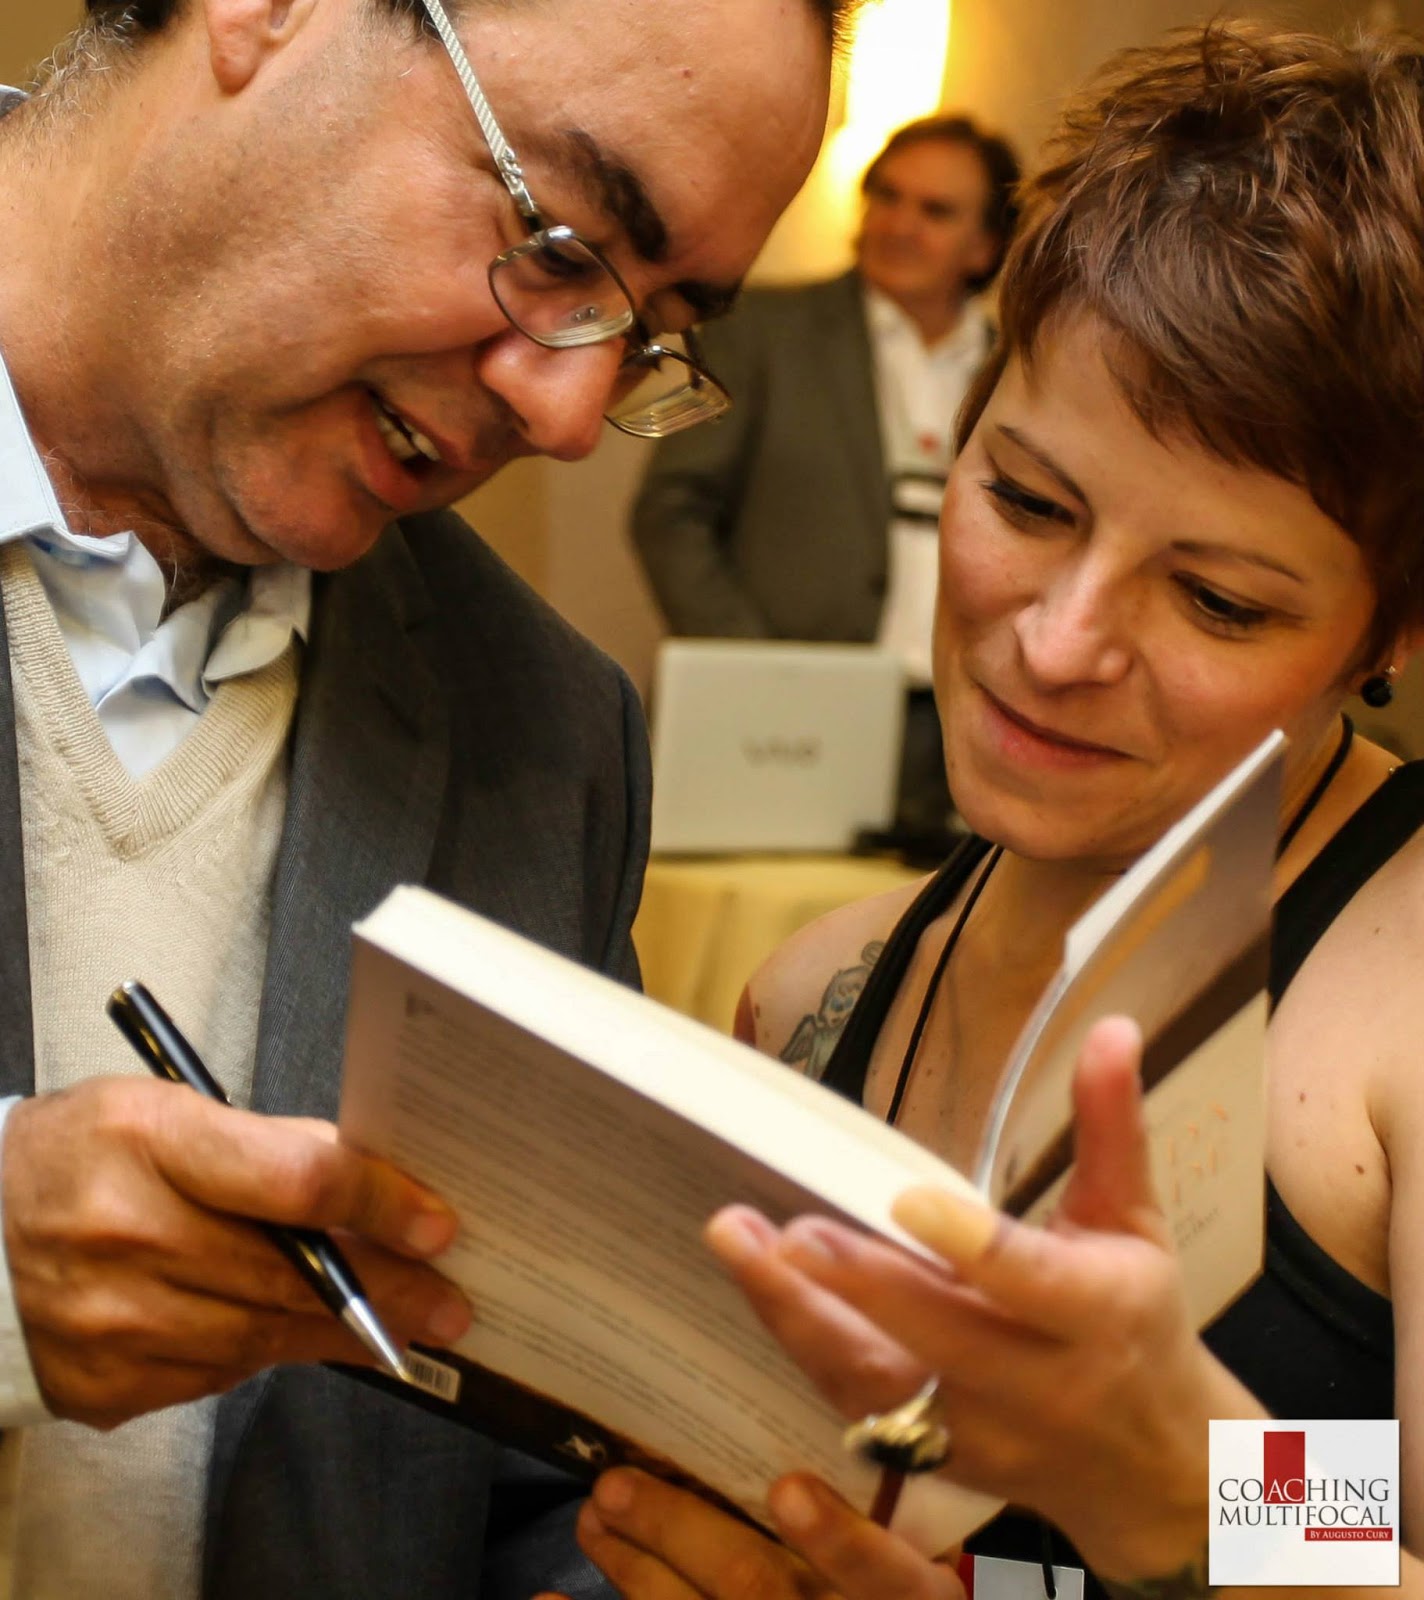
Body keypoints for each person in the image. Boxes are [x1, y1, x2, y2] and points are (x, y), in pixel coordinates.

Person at [548, 23, 1424, 1600]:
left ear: (1393, 633)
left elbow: (1396, 1533)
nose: (1060, 642)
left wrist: (1191, 1489)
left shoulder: (1393, 1020)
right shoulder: (819, 993)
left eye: (1219, 601)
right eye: (1026, 501)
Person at [0, 0, 856, 1593]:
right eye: (562, 242)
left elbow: (522, 1481)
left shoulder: (542, 732)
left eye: (653, 333)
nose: (572, 417)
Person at [631, 114, 1020, 835]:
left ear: (985, 245)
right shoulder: (763, 330)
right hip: (786, 720)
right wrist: (758, 672)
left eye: (935, 211)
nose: (899, 224)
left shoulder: (1020, 370)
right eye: (887, 196)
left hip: (955, 722)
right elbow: (670, 512)